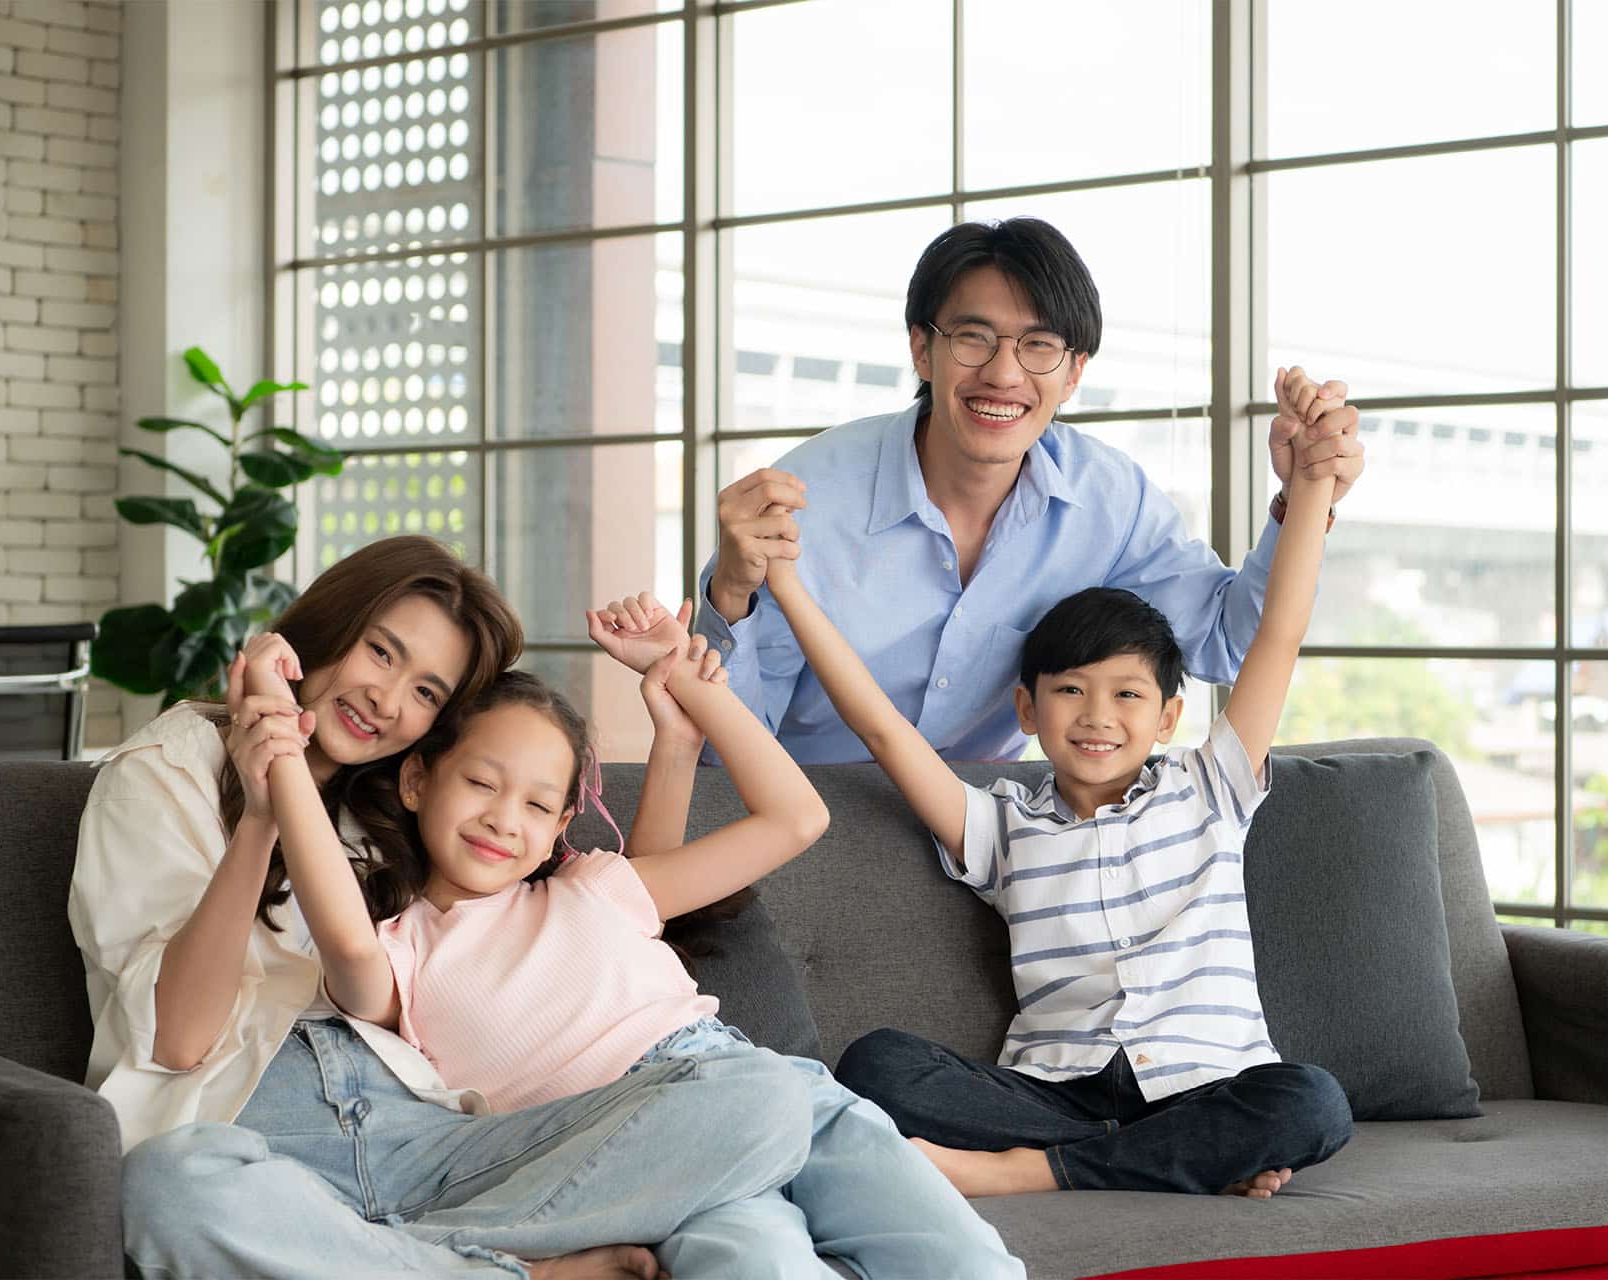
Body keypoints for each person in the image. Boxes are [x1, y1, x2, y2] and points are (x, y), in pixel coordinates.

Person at [69, 536, 816, 1280]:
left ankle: (429, 1258)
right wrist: (263, 814)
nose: (387, 700)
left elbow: (620, 917)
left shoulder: (411, 798)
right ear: (327, 626)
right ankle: (518, 1268)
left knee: (762, 1101)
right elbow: (179, 1043)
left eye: (427, 692)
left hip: (437, 1137)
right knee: (165, 1190)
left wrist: (674, 738)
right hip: (266, 1132)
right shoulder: (167, 769)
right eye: (380, 652)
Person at [243, 593, 1023, 1280]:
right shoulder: (399, 954)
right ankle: (427, 1257)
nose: (503, 819)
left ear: (560, 826)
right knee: (760, 1266)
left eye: (536, 805)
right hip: (634, 1161)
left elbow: (796, 818)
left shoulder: (597, 887)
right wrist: (281, 747)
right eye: (481, 783)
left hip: (752, 1088)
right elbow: (345, 939)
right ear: (418, 780)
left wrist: (684, 681)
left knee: (969, 1263)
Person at [756, 370, 1356, 1198]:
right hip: (1052, 1094)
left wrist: (1312, 482)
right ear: (1027, 709)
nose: (1097, 717)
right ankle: (1174, 1161)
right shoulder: (999, 826)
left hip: (1205, 1084)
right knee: (878, 1064)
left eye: (1128, 696)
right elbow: (884, 729)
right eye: (1070, 690)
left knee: (1311, 1103)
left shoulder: (1210, 787)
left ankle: (1032, 1173)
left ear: (1169, 716)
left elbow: (1277, 637)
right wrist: (785, 583)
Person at [695, 215, 1365, 763]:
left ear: (1073, 372)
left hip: (989, 825)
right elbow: (730, 746)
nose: (1004, 374)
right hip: (811, 811)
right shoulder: (809, 498)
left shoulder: (1108, 500)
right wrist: (730, 597)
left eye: (1039, 345)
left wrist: (1304, 498)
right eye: (973, 338)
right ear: (922, 349)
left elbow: (1226, 640)